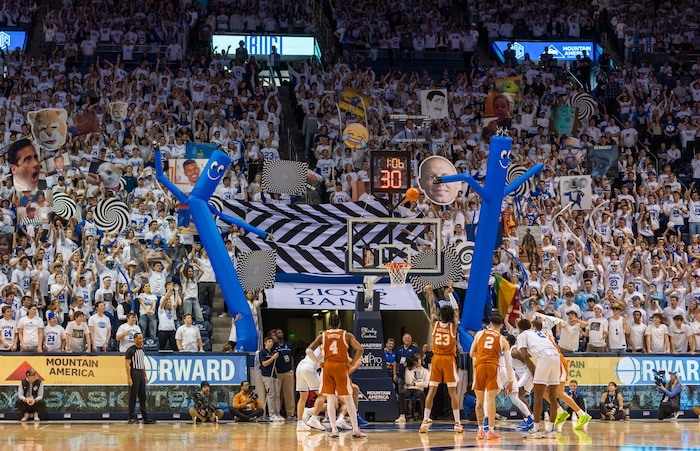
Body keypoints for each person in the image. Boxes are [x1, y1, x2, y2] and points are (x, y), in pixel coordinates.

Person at [305, 313, 366, 438]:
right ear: (339, 323)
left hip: (327, 367)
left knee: (331, 399)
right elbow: (360, 349)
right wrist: (353, 363)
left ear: (329, 324)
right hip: (340, 366)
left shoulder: (323, 336)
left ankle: (334, 430)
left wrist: (318, 363)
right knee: (348, 398)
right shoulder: (346, 335)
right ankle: (355, 430)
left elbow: (308, 350)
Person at [419, 286, 465, 434]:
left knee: (432, 390)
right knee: (452, 392)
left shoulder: (435, 323)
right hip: (448, 360)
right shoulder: (453, 327)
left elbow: (432, 307)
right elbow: (456, 310)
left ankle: (425, 420)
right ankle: (457, 423)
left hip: (437, 359)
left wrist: (430, 292)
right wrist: (450, 294)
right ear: (451, 316)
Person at [470, 314, 513, 439]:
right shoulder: (502, 339)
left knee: (479, 400)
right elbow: (508, 363)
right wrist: (510, 380)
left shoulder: (479, 334)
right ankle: (491, 431)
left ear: (490, 323)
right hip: (493, 366)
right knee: (490, 399)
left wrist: (483, 354)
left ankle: (480, 431)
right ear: (501, 326)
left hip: (479, 366)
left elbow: (472, 353)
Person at [125, 332, 155, 424]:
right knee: (133, 396)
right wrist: (129, 378)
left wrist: (145, 376)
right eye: (139, 338)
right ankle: (131, 418)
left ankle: (145, 418)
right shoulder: (130, 350)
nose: (141, 340)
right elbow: (127, 365)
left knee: (143, 397)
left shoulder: (142, 350)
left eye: (142, 338)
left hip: (141, 372)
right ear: (134, 339)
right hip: (134, 372)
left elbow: (143, 363)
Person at [394, 354, 430, 423]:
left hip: (419, 389)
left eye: (419, 359)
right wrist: (408, 368)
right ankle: (402, 415)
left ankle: (425, 416)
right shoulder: (409, 369)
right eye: (416, 360)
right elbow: (408, 381)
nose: (417, 361)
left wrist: (415, 383)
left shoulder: (425, 371)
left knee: (421, 394)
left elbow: (426, 384)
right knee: (402, 393)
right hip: (409, 389)